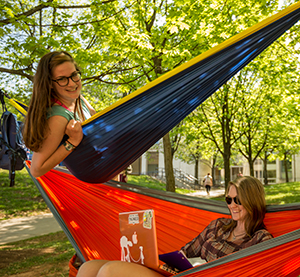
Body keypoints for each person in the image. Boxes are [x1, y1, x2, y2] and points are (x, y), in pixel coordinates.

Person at [76, 176, 273, 277]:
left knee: (109, 271)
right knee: (88, 268)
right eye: (228, 199)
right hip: (179, 273)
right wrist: (162, 262)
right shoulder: (219, 225)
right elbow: (186, 252)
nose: (232, 205)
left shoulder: (260, 239)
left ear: (251, 199)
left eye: (237, 199)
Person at [23, 51, 96, 178]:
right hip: (91, 182)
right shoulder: (58, 118)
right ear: (50, 83)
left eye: (74, 75)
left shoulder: (78, 99)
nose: (72, 83)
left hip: (107, 176)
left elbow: (95, 116)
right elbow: (36, 169)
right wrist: (72, 142)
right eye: (62, 79)